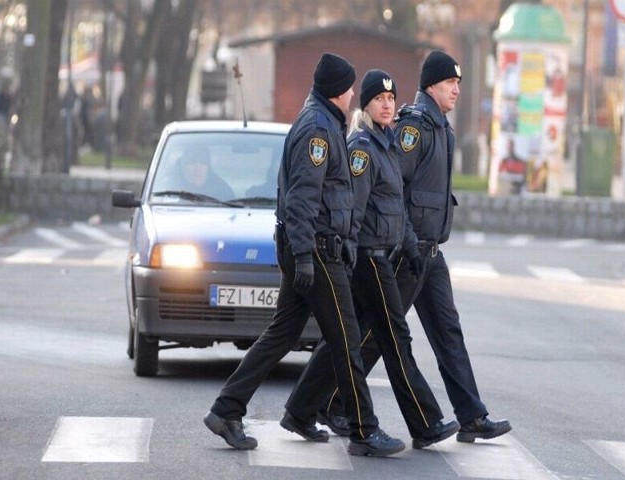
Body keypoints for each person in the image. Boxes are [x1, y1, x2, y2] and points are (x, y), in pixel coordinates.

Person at [203, 52, 405, 458]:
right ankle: (364, 430)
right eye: (348, 87)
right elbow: (302, 200)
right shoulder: (317, 130)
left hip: (316, 249)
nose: (352, 94)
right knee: (346, 339)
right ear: (336, 90)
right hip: (316, 249)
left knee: (283, 334)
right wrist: (306, 256)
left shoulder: (326, 123)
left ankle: (229, 410)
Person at [319, 51, 511, 445]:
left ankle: (471, 415)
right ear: (430, 86)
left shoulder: (443, 127)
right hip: (405, 252)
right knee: (380, 333)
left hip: (430, 252)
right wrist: (398, 241)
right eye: (448, 83)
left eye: (458, 83)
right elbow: (391, 186)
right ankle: (332, 403)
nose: (456, 89)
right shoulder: (415, 129)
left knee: (447, 332)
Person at [282, 69, 460, 450]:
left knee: (352, 339)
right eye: (379, 98)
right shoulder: (362, 147)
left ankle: (305, 408)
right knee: (395, 337)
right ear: (365, 104)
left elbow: (397, 207)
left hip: (384, 254)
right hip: (367, 257)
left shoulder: (387, 145)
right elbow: (353, 208)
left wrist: (411, 245)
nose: (387, 104)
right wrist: (348, 251)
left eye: (392, 98)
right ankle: (424, 422)